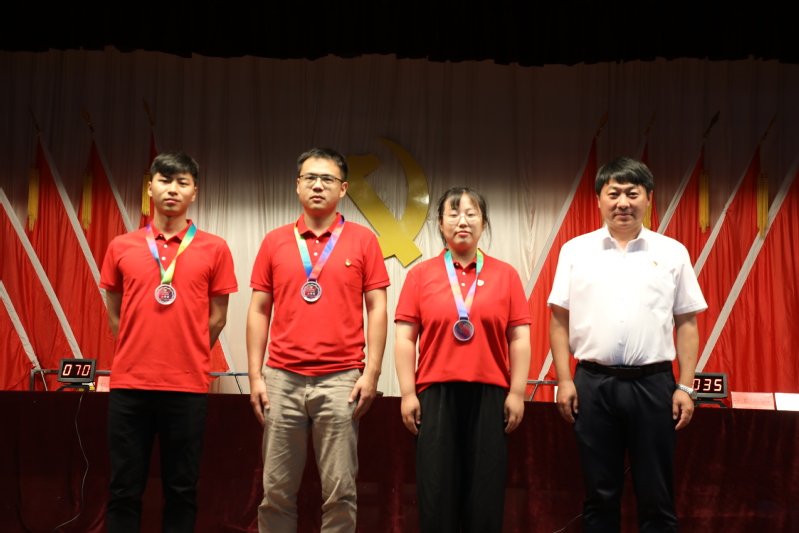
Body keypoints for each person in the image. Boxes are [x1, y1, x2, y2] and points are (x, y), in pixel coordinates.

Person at [549, 157, 707, 532]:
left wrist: (686, 386)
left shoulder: (672, 252)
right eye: (614, 193)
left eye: (632, 194)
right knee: (599, 495)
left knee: (657, 496)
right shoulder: (575, 250)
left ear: (649, 198)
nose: (623, 202)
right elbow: (558, 320)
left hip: (653, 385)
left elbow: (687, 323)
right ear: (599, 199)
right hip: (592, 384)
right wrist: (564, 380)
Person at [247, 147, 389, 532]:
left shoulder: (363, 240)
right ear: (297, 185)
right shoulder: (275, 241)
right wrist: (256, 376)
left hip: (341, 379)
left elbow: (377, 307)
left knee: (340, 492)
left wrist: (372, 373)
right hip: (281, 379)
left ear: (343, 188)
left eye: (327, 179)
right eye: (310, 177)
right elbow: (258, 310)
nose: (317, 185)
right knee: (275, 491)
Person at [101, 151, 237, 532]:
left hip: (186, 387)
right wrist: (139, 350)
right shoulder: (121, 246)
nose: (172, 189)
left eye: (182, 182)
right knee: (124, 489)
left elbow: (218, 317)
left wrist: (187, 353)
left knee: (181, 491)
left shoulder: (215, 248)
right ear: (150, 188)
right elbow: (115, 315)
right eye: (164, 180)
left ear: (195, 191)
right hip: (130, 386)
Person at [394, 187, 532, 533]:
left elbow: (519, 338)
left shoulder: (506, 275)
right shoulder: (420, 275)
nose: (462, 221)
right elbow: (405, 339)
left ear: (484, 223)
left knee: (485, 495)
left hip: (490, 395)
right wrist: (408, 393)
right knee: (436, 493)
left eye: (471, 214)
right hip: (434, 395)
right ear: (440, 224)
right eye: (453, 214)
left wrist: (517, 392)